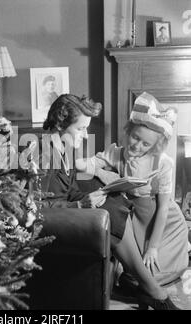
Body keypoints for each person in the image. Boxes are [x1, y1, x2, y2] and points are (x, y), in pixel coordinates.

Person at [37, 93, 181, 310]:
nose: (85, 136)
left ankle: (145, 285)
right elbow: (36, 207)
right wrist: (80, 205)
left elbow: (71, 188)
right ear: (60, 124)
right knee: (111, 211)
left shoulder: (62, 149)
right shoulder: (43, 154)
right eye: (81, 129)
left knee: (112, 201)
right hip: (57, 221)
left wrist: (103, 183)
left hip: (68, 211)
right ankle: (152, 290)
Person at [80, 92, 189, 287]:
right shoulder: (115, 153)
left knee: (154, 272)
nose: (137, 145)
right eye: (134, 137)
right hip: (134, 220)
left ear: (155, 145)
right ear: (128, 131)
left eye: (145, 143)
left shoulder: (163, 164)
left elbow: (164, 209)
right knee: (138, 275)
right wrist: (101, 172)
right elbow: (81, 164)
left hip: (163, 224)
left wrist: (153, 247)